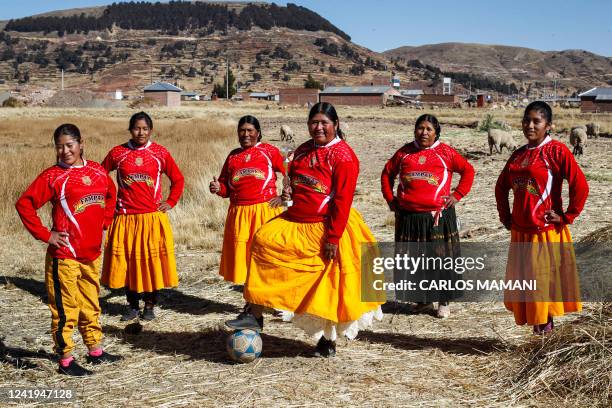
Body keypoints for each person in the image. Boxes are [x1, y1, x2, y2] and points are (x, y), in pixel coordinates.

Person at [226, 102, 384, 357]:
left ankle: (327, 340)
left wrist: (332, 238)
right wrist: (289, 193)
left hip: (327, 225)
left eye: (324, 123)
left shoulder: (343, 156)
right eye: (314, 122)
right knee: (262, 240)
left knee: (327, 287)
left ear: (336, 125)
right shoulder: (302, 150)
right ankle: (254, 314)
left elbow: (342, 201)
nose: (318, 127)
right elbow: (295, 182)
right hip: (296, 220)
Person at [15, 124, 122, 376]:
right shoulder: (52, 176)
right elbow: (24, 205)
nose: (64, 151)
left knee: (91, 304)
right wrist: (46, 235)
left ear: (81, 143)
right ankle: (65, 360)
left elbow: (110, 195)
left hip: (92, 254)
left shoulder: (97, 171)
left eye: (69, 145)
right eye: (59, 146)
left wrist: (105, 223)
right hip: (64, 256)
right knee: (66, 309)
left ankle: (95, 351)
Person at [495, 101, 588, 334]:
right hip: (521, 232)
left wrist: (567, 216)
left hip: (544, 231)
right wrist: (506, 216)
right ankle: (540, 337)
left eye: (537, 121)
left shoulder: (556, 151)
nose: (530, 125)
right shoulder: (517, 155)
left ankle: (545, 340)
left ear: (549, 125)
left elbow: (580, 185)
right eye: (526, 120)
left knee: (541, 289)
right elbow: (501, 186)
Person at [381, 114, 474, 318]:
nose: (424, 132)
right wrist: (390, 199)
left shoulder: (445, 153)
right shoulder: (404, 153)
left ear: (436, 132)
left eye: (429, 129)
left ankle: (444, 300)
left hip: (437, 217)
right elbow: (387, 174)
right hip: (409, 217)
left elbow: (468, 171)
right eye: (420, 128)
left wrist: (457, 195)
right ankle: (423, 300)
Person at [101, 112, 184, 321]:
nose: (141, 132)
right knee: (128, 265)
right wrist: (109, 201)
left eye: (145, 129)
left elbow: (178, 179)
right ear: (130, 129)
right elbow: (100, 176)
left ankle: (149, 305)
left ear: (151, 130)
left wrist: (170, 201)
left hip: (151, 218)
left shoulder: (159, 153)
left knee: (150, 264)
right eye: (137, 128)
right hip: (125, 218)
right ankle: (131, 306)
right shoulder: (118, 153)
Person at [209, 115, 285, 285]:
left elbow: (290, 173)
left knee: (267, 254)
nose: (246, 134)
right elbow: (225, 186)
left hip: (265, 211)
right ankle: (251, 299)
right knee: (244, 258)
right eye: (242, 131)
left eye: (250, 130)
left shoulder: (269, 151)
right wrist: (217, 188)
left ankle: (272, 298)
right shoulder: (233, 156)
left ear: (258, 132)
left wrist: (283, 198)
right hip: (239, 214)